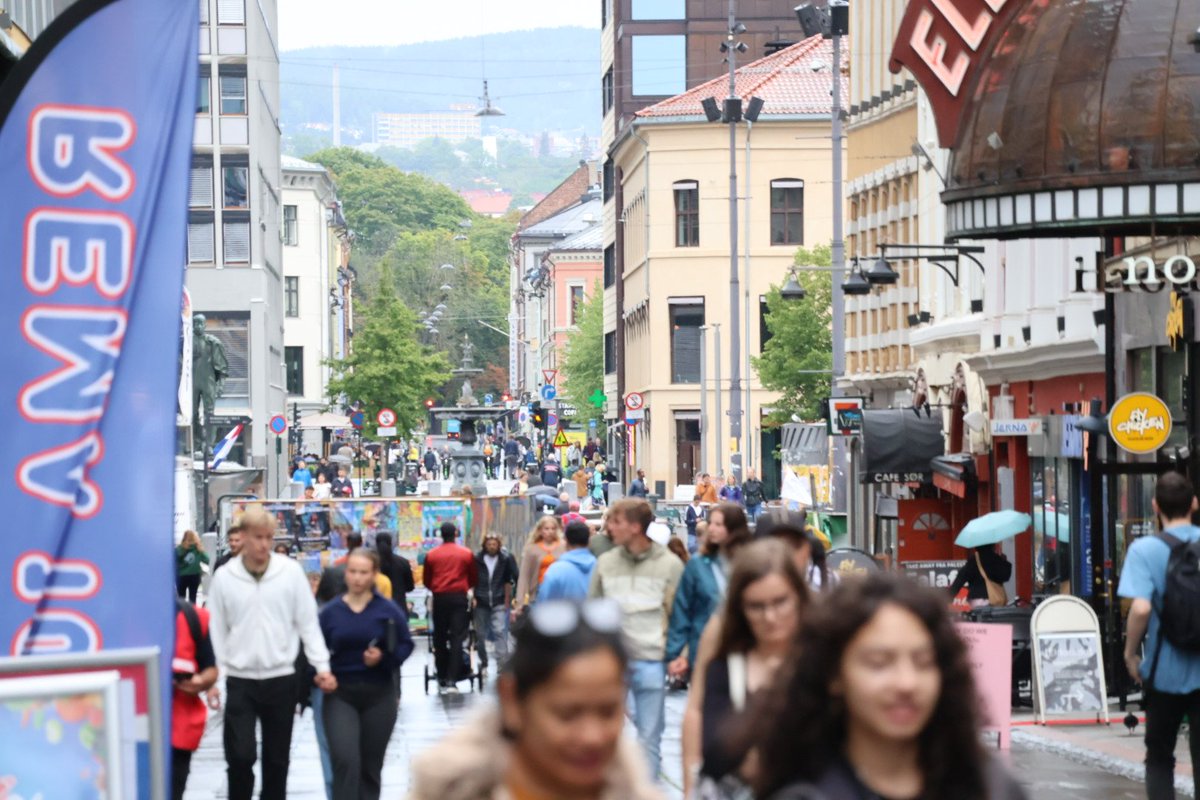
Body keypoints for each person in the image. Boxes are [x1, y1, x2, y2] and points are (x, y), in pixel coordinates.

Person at [752, 573, 1026, 800]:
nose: (907, 683)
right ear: (834, 674)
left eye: (923, 662)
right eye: (879, 663)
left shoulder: (993, 788)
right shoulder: (808, 794)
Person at [408, 599, 662, 800]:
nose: (591, 736)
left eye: (608, 711)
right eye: (567, 714)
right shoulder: (447, 791)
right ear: (512, 701)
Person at [680, 508, 816, 797]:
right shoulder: (723, 628)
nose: (770, 615)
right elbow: (696, 708)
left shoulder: (825, 624)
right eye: (774, 545)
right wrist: (691, 780)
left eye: (793, 545)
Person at [207, 506, 336, 800]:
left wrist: (322, 666)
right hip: (240, 678)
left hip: (281, 676)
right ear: (243, 537)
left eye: (268, 537)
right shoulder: (226, 577)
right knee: (240, 755)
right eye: (257, 537)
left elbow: (307, 623)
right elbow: (216, 630)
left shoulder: (288, 573)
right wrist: (215, 676)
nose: (263, 544)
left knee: (277, 759)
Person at [589, 498, 685, 779]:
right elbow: (593, 609)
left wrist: (680, 654)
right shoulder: (605, 563)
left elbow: (678, 614)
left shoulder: (668, 565)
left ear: (634, 527)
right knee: (603, 738)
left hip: (651, 660)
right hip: (611, 664)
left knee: (648, 739)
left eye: (615, 522)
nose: (608, 527)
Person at [1119, 471, 1200, 800]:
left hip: (1163, 672)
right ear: (1194, 503)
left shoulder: (1144, 549)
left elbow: (1140, 609)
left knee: (1159, 758)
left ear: (1155, 506)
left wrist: (1130, 654)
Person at [319, 548, 414, 800]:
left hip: (379, 693)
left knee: (371, 767)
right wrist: (319, 674)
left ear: (374, 575)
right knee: (345, 761)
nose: (358, 578)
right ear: (345, 574)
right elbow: (313, 648)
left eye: (364, 572)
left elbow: (406, 644)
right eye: (353, 572)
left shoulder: (387, 610)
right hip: (341, 693)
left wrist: (384, 658)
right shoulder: (331, 612)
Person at [667, 503, 752, 680]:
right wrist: (676, 653)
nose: (711, 528)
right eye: (710, 523)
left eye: (718, 524)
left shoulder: (751, 563)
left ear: (734, 528)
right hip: (704, 648)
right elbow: (683, 609)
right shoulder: (697, 565)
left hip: (743, 648)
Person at [171, 598, 220, 800]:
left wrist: (202, 681)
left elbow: (210, 667)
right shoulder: (119, 612)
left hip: (178, 728)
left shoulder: (193, 617)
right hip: (131, 732)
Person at [422, 521, 478, 693]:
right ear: (455, 533)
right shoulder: (466, 554)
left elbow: (427, 580)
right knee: (457, 638)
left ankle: (442, 675)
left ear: (440, 534)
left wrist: (437, 588)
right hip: (458, 599)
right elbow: (473, 577)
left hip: (440, 598)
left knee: (439, 637)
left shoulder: (432, 555)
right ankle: (453, 678)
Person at [475, 532, 520, 671]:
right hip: (481, 600)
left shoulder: (505, 559)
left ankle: (502, 663)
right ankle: (483, 661)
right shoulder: (477, 559)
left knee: (500, 631)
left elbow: (514, 576)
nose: (492, 547)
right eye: (489, 544)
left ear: (499, 545)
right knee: (479, 633)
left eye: (494, 544)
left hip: (499, 599)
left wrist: (513, 597)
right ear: (484, 545)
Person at [514, 516, 565, 613]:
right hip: (538, 589)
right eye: (546, 529)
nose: (550, 531)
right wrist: (519, 602)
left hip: (559, 590)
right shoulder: (532, 549)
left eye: (553, 528)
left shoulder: (563, 546)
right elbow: (524, 575)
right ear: (540, 530)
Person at [539, 521, 597, 602]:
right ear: (589, 541)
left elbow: (543, 604)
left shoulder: (555, 570)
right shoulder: (600, 568)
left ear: (565, 541)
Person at [948, 544, 1013, 608]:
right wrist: (1003, 560)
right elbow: (1006, 576)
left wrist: (948, 598)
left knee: (978, 618)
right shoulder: (997, 559)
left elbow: (960, 580)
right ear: (992, 546)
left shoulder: (973, 561)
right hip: (996, 599)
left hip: (977, 600)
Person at [375, 532, 415, 609]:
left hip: (376, 608)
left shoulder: (370, 563)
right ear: (391, 543)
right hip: (398, 607)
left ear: (376, 543)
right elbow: (410, 587)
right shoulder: (403, 562)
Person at [176, 530, 209, 603]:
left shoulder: (179, 549)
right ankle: (192, 613)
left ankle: (182, 612)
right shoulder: (197, 549)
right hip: (194, 576)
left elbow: (174, 561)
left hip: (181, 576)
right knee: (193, 598)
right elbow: (207, 560)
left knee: (181, 598)